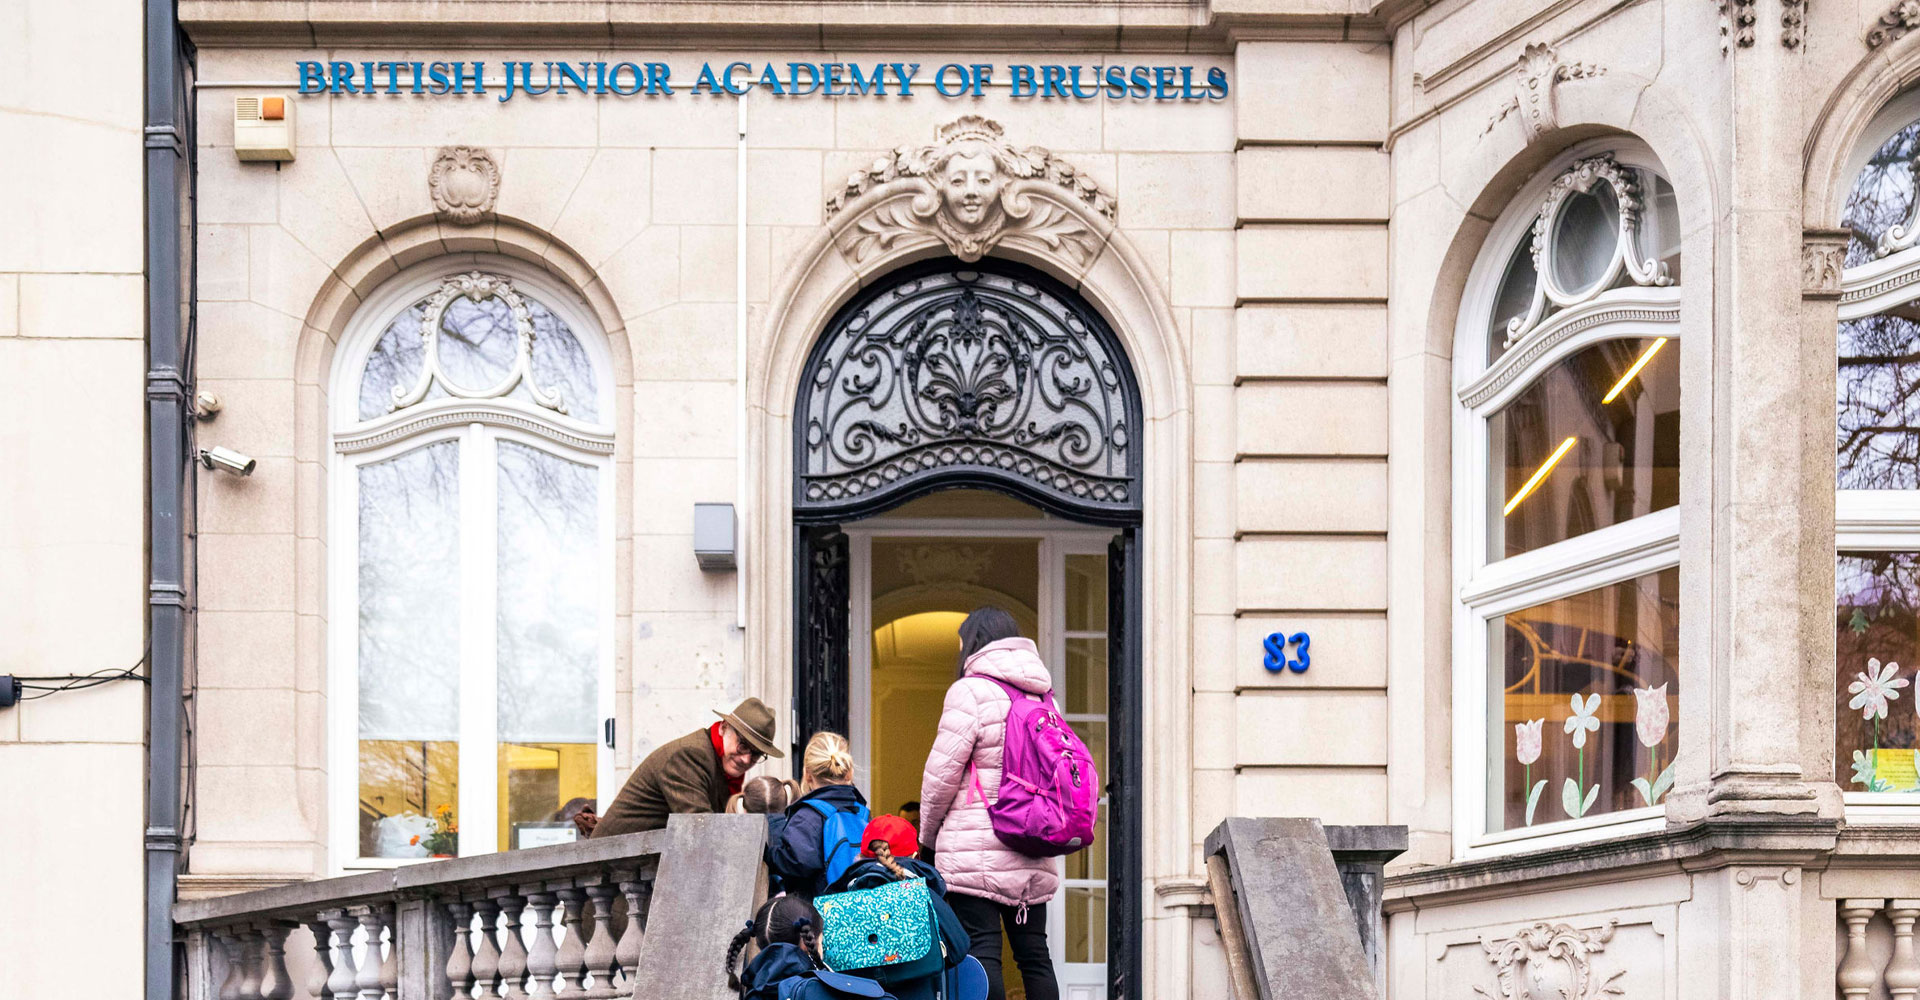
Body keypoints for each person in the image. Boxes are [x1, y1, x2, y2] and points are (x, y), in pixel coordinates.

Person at [918, 608, 1060, 1000]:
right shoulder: (1045, 697)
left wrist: (927, 839)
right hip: (1032, 844)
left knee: (983, 954)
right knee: (1035, 957)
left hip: (974, 851)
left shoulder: (970, 691)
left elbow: (940, 776)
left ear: (974, 642)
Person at [583, 697, 785, 839]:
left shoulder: (717, 764)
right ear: (723, 728)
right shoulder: (690, 755)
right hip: (613, 878)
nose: (746, 759)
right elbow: (702, 829)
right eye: (743, 746)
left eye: (756, 753)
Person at [768, 731, 869, 899]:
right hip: (855, 910)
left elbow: (797, 862)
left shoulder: (807, 816)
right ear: (849, 773)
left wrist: (771, 855)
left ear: (808, 775)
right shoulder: (861, 813)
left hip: (817, 913)